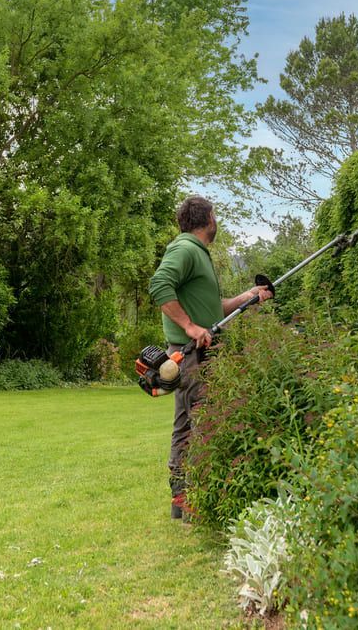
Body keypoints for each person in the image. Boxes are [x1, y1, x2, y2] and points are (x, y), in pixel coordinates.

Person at [148, 196, 273, 519]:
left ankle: (183, 503)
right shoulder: (187, 249)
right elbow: (160, 284)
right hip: (192, 356)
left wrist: (249, 297)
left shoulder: (197, 254)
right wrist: (190, 327)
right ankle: (194, 502)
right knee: (203, 425)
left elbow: (213, 310)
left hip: (193, 355)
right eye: (215, 215)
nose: (217, 220)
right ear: (208, 219)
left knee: (188, 425)